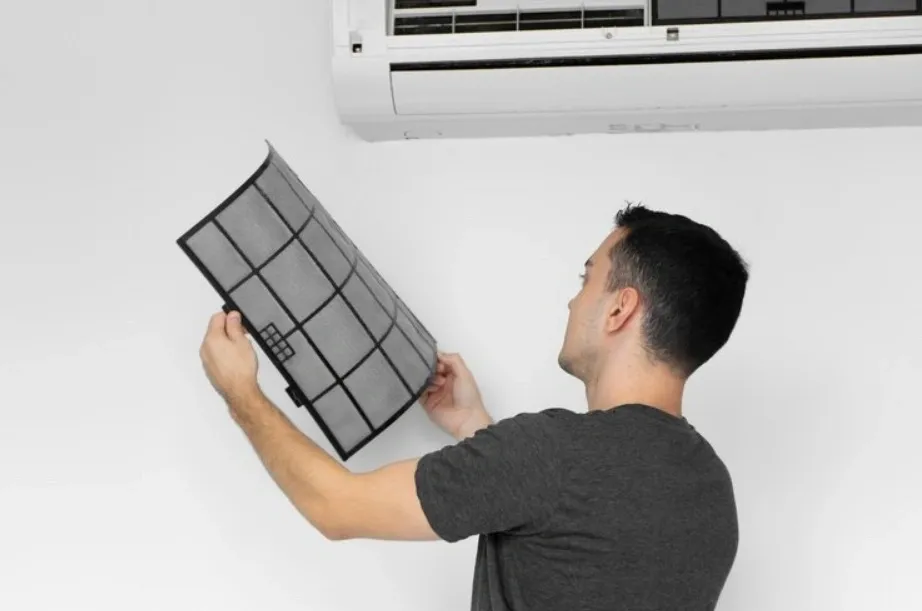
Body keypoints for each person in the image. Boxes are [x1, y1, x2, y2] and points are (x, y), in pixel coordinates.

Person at [199, 203, 749, 611]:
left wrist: (241, 394)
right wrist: (473, 425)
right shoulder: (710, 486)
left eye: (588, 279)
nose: (572, 298)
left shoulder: (548, 456)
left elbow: (336, 507)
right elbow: (576, 540)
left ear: (619, 310)